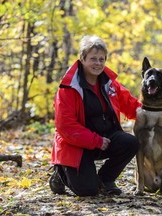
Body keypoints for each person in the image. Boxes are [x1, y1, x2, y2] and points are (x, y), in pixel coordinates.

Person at [49, 35, 142, 196]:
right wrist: (96, 141)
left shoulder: (109, 83)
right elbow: (66, 127)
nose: (98, 64)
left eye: (101, 59)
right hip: (76, 145)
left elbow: (131, 105)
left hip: (105, 138)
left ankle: (105, 179)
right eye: (93, 59)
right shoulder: (68, 88)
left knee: (131, 142)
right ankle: (60, 173)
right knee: (87, 191)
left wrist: (155, 114)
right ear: (82, 59)